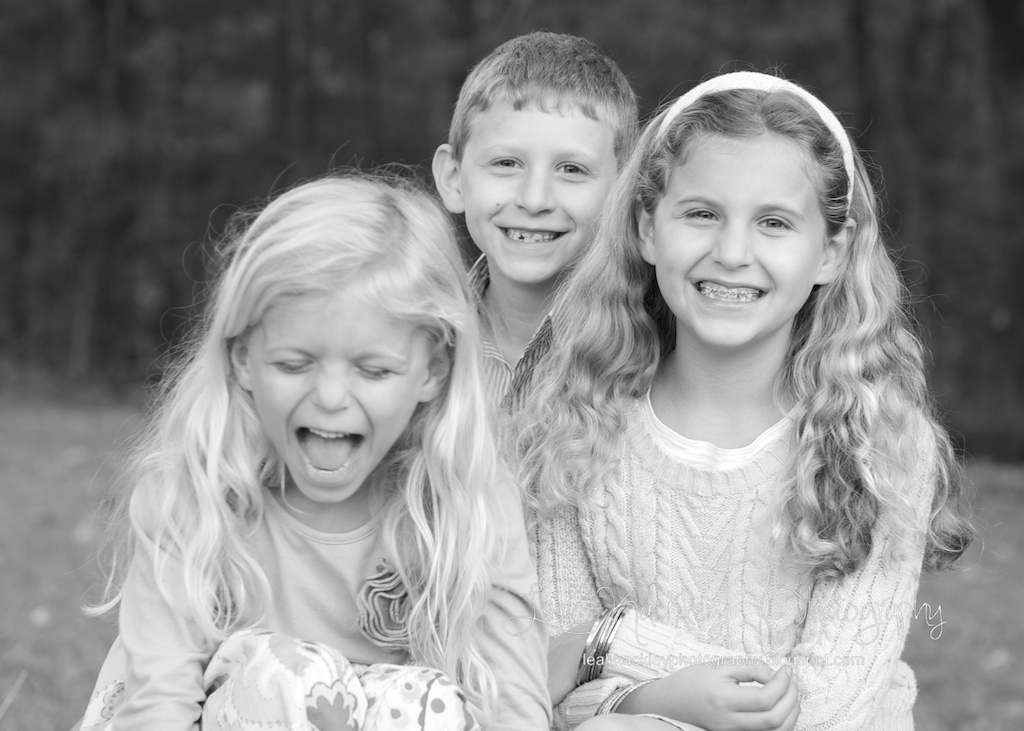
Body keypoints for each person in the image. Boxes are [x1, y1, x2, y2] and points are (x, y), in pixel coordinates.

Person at [512, 71, 973, 730]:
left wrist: (614, 640)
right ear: (647, 227)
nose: (732, 253)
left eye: (774, 223)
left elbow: (833, 707)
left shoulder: (876, 444)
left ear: (831, 252)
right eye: (702, 214)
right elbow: (550, 693)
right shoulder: (575, 420)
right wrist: (649, 699)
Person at [78, 174, 550, 730]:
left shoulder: (469, 499)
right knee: (290, 678)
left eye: (373, 370)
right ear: (242, 359)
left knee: (428, 704)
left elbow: (513, 705)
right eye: (294, 364)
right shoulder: (193, 495)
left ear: (433, 371)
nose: (329, 398)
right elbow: (159, 706)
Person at [432, 31, 639, 410]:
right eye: (506, 163)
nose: (535, 200)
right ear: (453, 179)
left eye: (572, 169)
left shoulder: (649, 362)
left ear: (622, 191)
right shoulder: (416, 344)